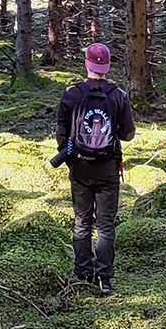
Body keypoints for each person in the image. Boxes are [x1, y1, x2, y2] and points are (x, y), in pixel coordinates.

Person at [55, 43, 136, 295]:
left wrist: (69, 154)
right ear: (107, 65)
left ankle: (82, 274)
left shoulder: (72, 93)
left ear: (87, 64)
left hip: (79, 167)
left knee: (81, 221)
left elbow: (61, 131)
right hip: (109, 168)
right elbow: (128, 134)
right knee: (105, 225)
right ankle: (105, 280)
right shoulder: (118, 95)